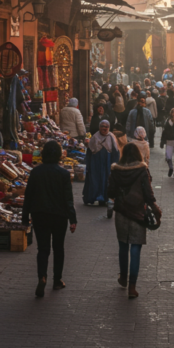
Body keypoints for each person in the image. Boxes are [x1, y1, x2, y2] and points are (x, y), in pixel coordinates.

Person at [21, 141, 77, 297]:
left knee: (43, 249)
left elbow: (28, 197)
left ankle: (42, 277)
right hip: (59, 216)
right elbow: (68, 199)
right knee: (58, 248)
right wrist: (73, 219)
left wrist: (25, 217)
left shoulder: (36, 173)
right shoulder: (64, 174)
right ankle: (57, 280)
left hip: (40, 215)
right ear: (59, 155)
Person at [107, 144, 161, 299]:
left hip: (122, 213)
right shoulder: (142, 170)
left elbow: (110, 192)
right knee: (135, 247)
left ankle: (123, 277)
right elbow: (148, 194)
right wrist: (155, 209)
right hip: (138, 212)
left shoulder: (116, 170)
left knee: (123, 245)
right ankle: (132, 286)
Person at [82, 121, 120, 205]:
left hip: (107, 163)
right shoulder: (95, 137)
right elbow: (89, 151)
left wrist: (115, 165)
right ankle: (93, 197)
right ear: (99, 127)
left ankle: (104, 199)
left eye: (106, 126)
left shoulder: (111, 137)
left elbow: (116, 152)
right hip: (95, 163)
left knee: (106, 180)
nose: (104, 128)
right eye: (102, 126)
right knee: (95, 179)